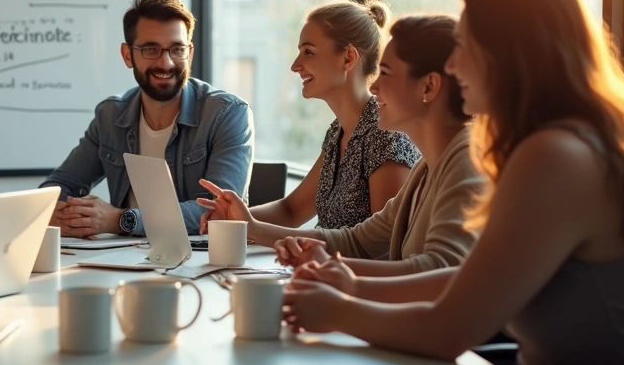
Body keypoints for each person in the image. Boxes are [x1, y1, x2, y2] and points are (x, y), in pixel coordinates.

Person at [282, 0, 624, 365]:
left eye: (464, 45)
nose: (451, 64)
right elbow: (468, 281)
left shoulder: (556, 156)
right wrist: (348, 284)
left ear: (510, 55)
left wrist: (337, 309)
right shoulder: (558, 145)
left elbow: (449, 329)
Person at [202, 14, 482, 276]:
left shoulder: (464, 160)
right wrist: (251, 226)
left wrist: (335, 272)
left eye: (386, 73)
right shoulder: (425, 169)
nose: (374, 87)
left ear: (428, 87)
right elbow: (357, 240)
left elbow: (439, 271)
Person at [40, 0, 253, 236]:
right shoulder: (110, 115)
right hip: (119, 261)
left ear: (190, 53)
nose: (166, 63)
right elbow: (61, 185)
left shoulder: (227, 114)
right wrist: (64, 212)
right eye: (151, 50)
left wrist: (121, 220)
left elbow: (220, 213)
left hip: (199, 264)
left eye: (177, 49)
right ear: (127, 55)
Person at [215, 0, 420, 233]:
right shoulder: (338, 132)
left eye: (308, 52)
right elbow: (291, 211)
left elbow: (383, 243)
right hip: (321, 266)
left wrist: (251, 228)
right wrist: (232, 217)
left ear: (348, 58)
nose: (295, 65)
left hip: (346, 270)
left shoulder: (386, 134)